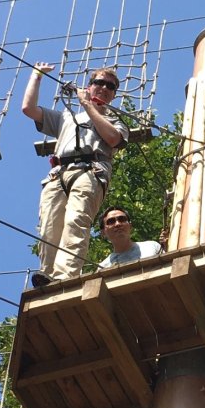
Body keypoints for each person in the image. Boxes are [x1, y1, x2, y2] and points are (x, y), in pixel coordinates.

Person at [22, 63, 128, 286]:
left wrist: (87, 104)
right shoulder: (67, 117)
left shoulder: (115, 120)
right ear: (89, 86)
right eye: (99, 82)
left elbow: (112, 139)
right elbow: (29, 108)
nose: (104, 87)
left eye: (111, 86)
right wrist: (36, 75)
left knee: (76, 221)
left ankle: (65, 278)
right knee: (49, 228)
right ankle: (48, 275)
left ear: (113, 95)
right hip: (59, 173)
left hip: (91, 170)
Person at [97, 206, 163, 268]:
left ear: (130, 226)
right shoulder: (103, 267)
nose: (118, 224)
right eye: (111, 221)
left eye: (122, 219)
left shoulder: (152, 247)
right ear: (103, 232)